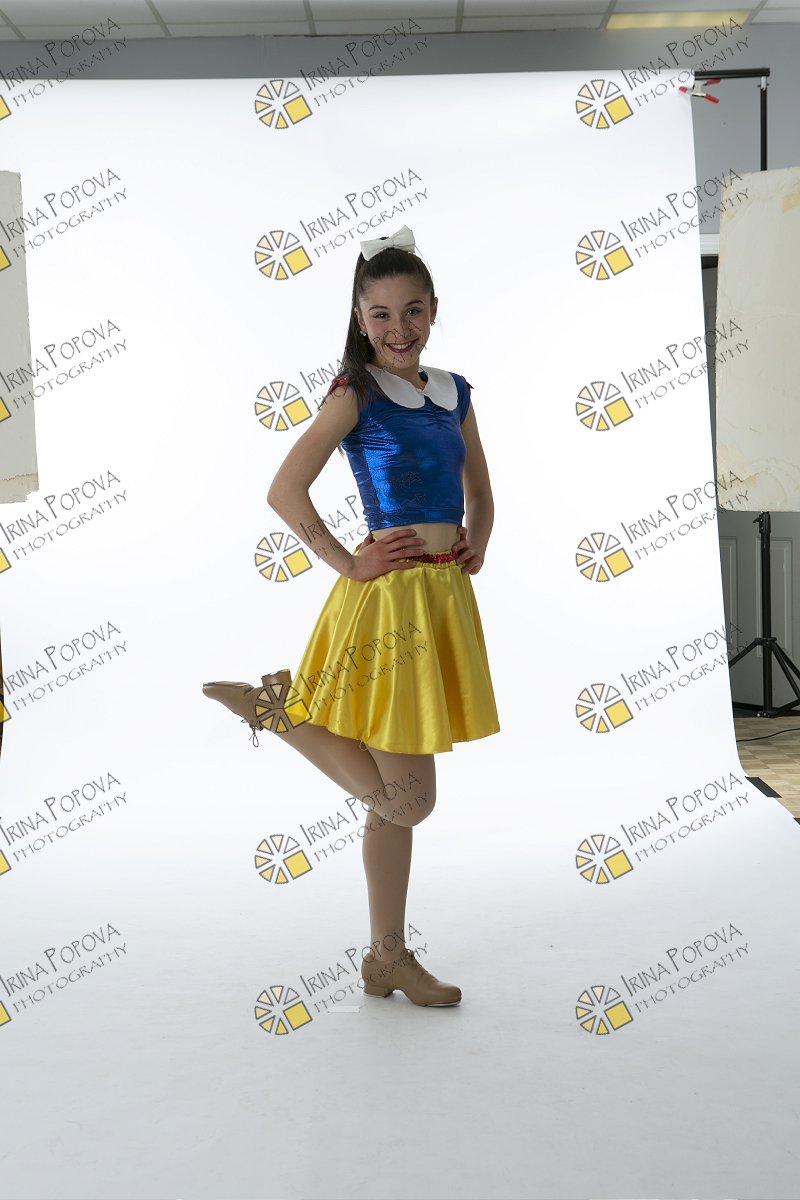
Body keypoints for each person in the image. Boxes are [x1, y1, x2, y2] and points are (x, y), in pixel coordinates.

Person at [203, 225, 500, 1007]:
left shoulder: (456, 391)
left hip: (443, 597)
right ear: (360, 319)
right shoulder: (355, 393)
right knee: (410, 800)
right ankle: (276, 711)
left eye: (412, 311)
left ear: (433, 309)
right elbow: (284, 489)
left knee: (395, 804)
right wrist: (347, 560)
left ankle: (385, 959)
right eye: (381, 315)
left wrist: (477, 538)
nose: (399, 329)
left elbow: (480, 491)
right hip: (388, 605)